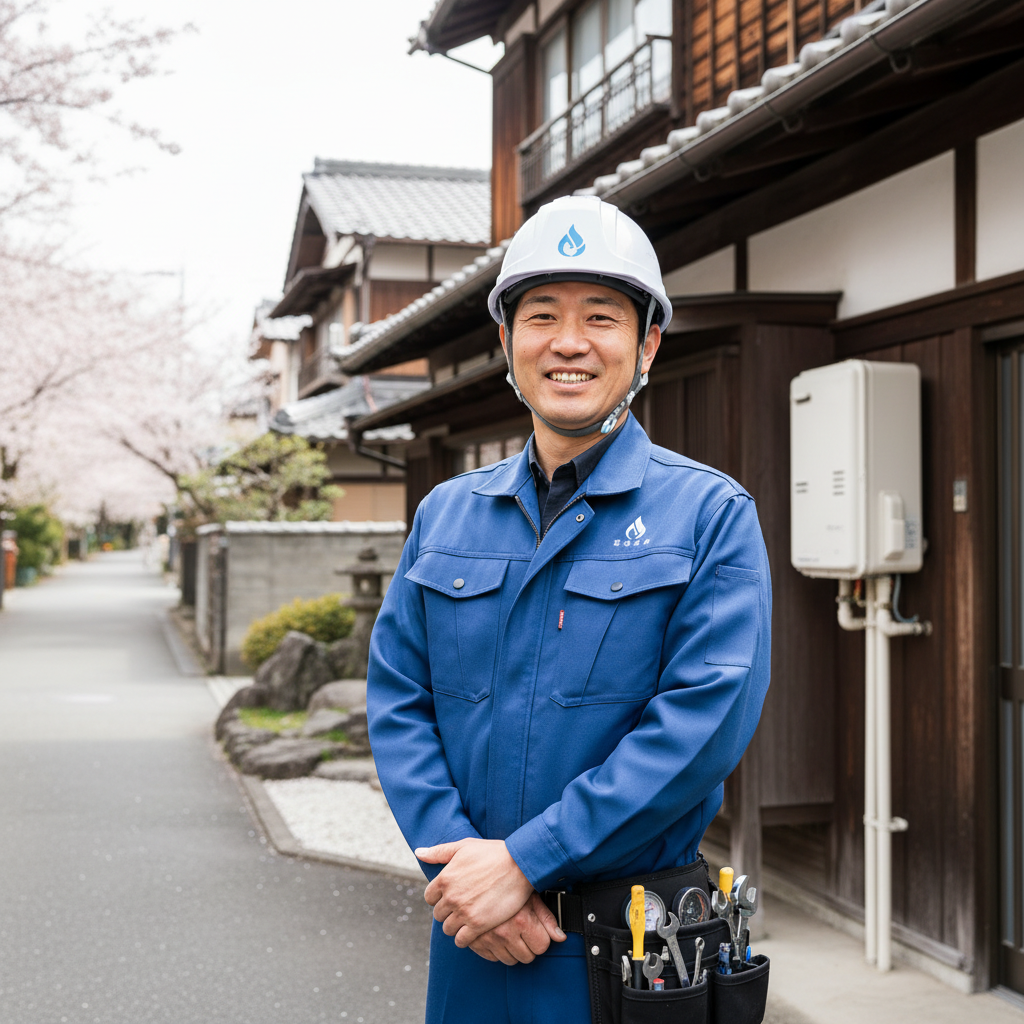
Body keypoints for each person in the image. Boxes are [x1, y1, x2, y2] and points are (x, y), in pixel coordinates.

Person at [367, 195, 771, 1024]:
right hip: (473, 935)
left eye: (602, 317)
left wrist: (527, 860)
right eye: (542, 315)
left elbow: (702, 725)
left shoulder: (709, 513)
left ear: (647, 344)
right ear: (507, 342)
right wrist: (464, 874)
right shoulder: (446, 514)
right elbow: (398, 700)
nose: (569, 341)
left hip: (632, 951)